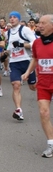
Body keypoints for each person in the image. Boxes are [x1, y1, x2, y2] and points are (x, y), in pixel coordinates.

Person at [22, 14, 53, 157]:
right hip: (44, 84)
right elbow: (35, 58)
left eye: (43, 23)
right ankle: (51, 144)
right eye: (39, 23)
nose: (39, 25)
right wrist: (28, 72)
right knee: (43, 112)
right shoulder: (37, 43)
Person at [6, 11, 36, 121]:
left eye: (14, 17)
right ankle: (18, 110)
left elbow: (35, 43)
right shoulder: (8, 33)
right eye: (10, 17)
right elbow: (9, 48)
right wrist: (5, 55)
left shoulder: (25, 30)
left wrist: (21, 44)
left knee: (33, 87)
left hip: (27, 62)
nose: (12, 19)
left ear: (18, 19)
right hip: (14, 62)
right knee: (16, 85)